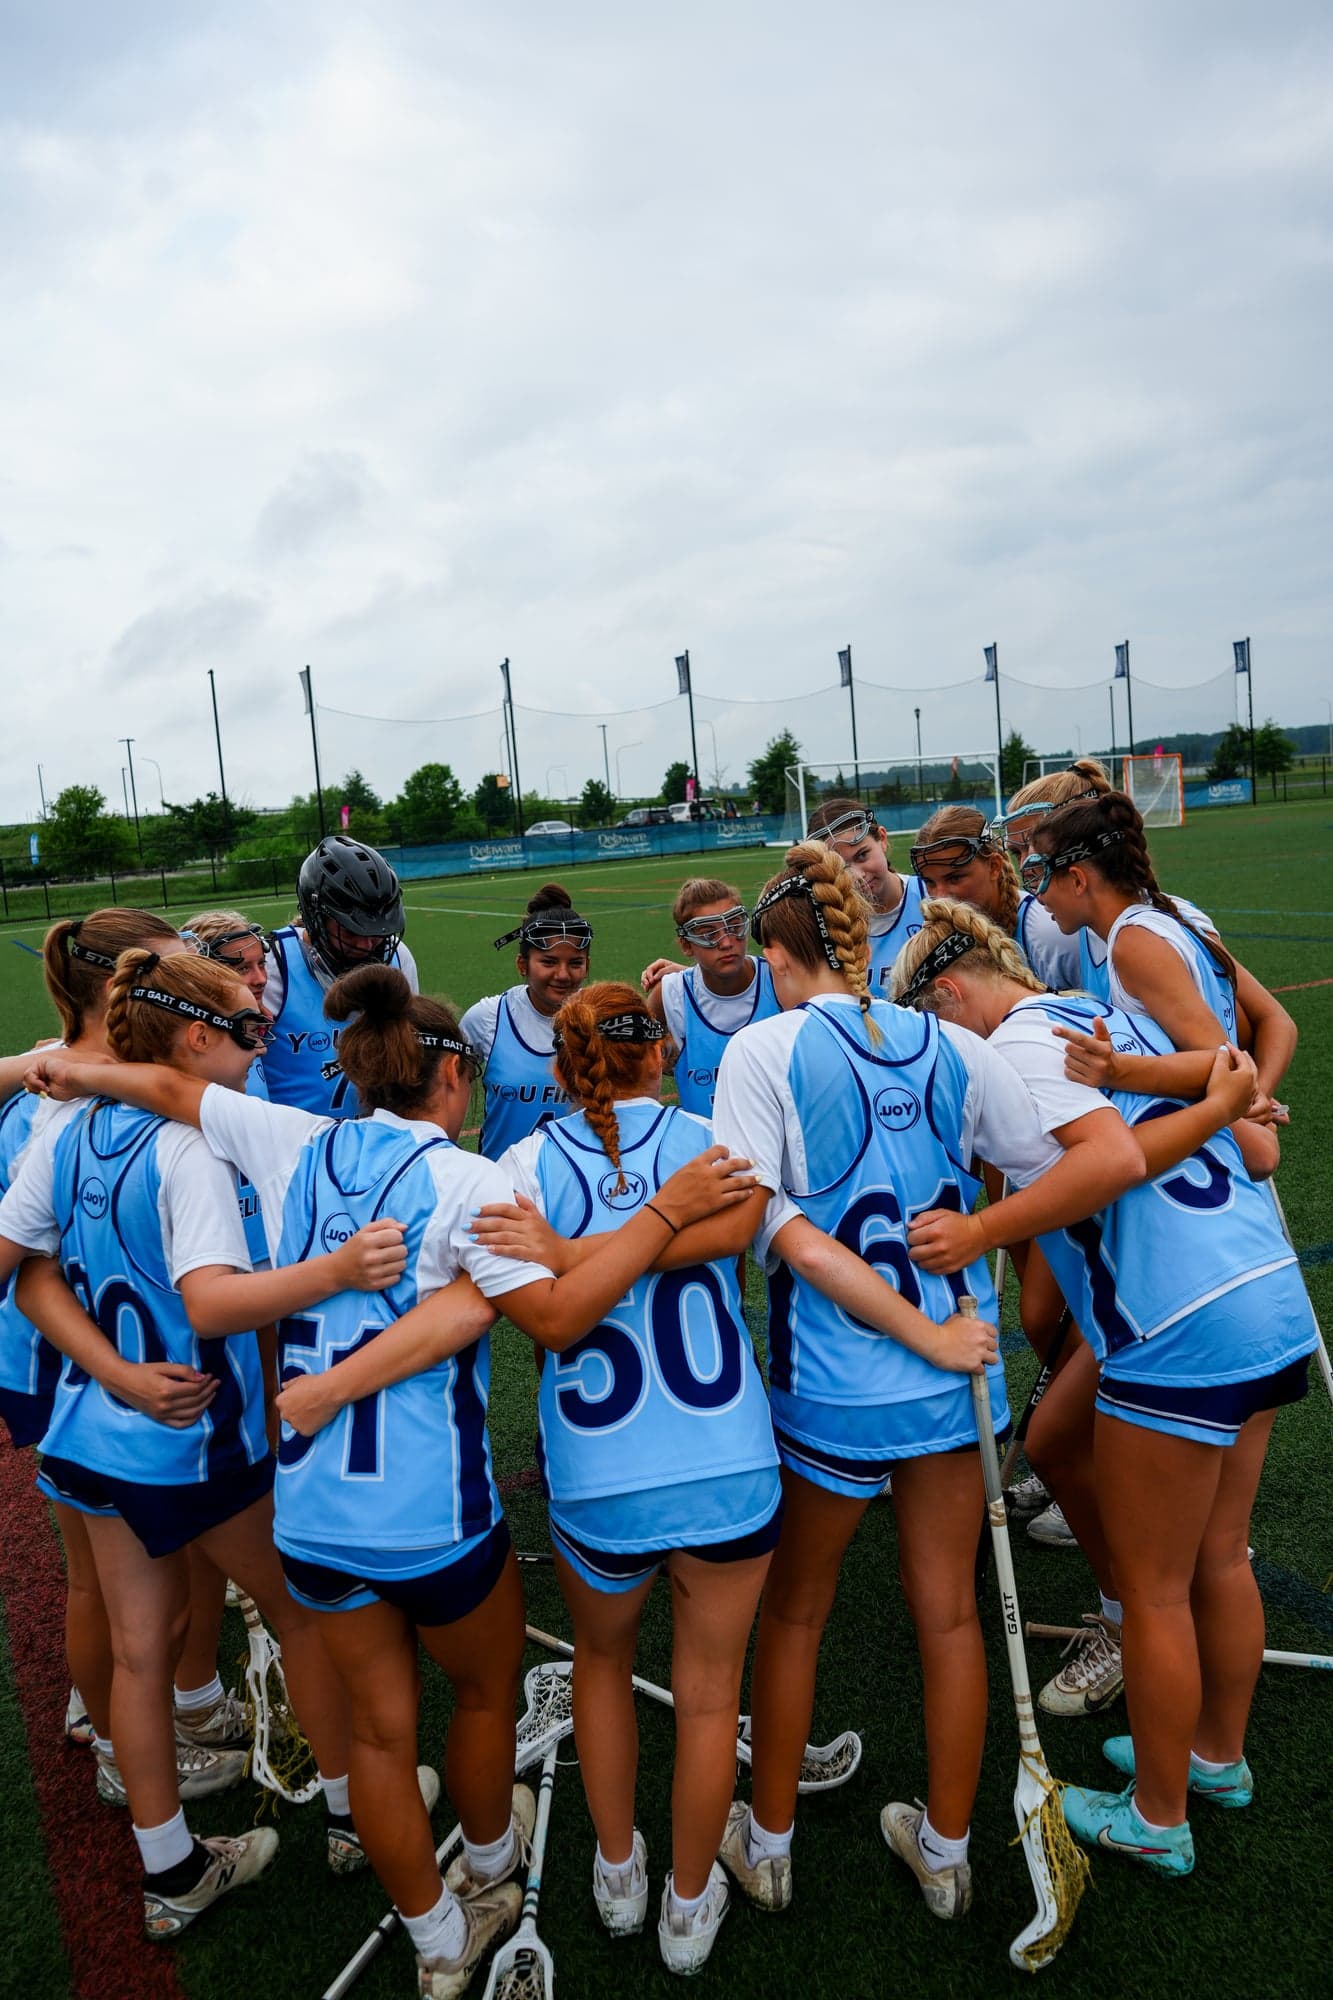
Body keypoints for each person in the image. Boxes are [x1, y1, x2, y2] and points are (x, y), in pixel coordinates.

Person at [33, 963, 755, 1995]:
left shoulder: (293, 1143)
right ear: (452, 1076)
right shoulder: (472, 1180)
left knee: (376, 1727)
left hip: (315, 1509)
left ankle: (434, 1936)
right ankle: (494, 1863)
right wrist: (661, 1217)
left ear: (356, 1068)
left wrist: (50, 1064)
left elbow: (173, 1090)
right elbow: (552, 1315)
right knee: (478, 1696)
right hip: (435, 1513)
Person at [704, 842, 1142, 1922]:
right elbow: (1042, 1168)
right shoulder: (952, 1043)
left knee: (797, 1613)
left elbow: (782, 1232)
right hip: (955, 1385)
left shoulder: (759, 1049)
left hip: (837, 1389)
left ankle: (767, 1845)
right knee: (949, 1618)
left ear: (773, 951)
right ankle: (945, 1850)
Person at [891, 899, 1315, 1877]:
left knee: (1157, 1590)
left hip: (1176, 1323)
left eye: (930, 1025)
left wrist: (981, 1232)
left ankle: (1158, 1814)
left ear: (949, 991)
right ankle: (1213, 1756)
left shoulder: (1020, 1046)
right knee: (1218, 1554)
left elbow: (1113, 1159)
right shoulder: (1096, 1012)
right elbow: (1248, 1122)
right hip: (1260, 1288)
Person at [0, 947, 402, 1939]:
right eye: (249, 1028)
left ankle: (172, 1863)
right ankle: (355, 1813)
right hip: (192, 1442)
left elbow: (24, 1269)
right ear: (193, 1039)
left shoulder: (74, 1125)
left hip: (92, 1430)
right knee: (299, 1613)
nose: (263, 1041)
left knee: (140, 1658)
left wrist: (116, 1371)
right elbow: (213, 1298)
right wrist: (337, 1269)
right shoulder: (192, 1148)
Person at [1020, 791, 1295, 1132]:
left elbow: (1225, 1066)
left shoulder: (1135, 944)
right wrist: (1258, 1099)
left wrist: (1115, 1070)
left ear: (1077, 880)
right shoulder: (1171, 917)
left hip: (1218, 1154)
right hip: (1226, 1138)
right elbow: (1271, 1026)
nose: (1038, 895)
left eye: (1040, 876)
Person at [262, 835, 417, 1116]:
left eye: (378, 931)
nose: (368, 943)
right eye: (351, 930)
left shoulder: (398, 957)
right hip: (298, 1152)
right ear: (316, 916)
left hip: (374, 1144)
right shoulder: (272, 966)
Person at [461, 885, 593, 1159]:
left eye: (575, 963)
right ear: (522, 964)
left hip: (578, 1186)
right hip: (503, 1189)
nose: (563, 974)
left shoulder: (602, 1018)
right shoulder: (488, 1018)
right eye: (548, 962)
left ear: (587, 965)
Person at [640, 878, 781, 1116]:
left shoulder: (779, 980)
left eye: (735, 927)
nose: (726, 943)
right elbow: (638, 1068)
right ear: (686, 946)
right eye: (708, 934)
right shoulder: (670, 995)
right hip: (708, 1149)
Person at [804, 799, 923, 991]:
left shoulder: (932, 896)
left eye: (862, 855)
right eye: (841, 868)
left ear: (882, 839)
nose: (857, 876)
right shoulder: (826, 926)